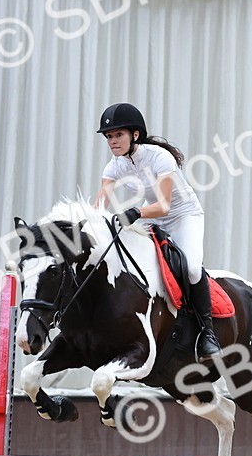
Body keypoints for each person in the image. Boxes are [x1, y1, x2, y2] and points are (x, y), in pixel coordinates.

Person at [94, 102, 220, 360]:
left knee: (193, 268)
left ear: (135, 135)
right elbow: (99, 204)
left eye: (118, 135)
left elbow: (163, 205)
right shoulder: (114, 166)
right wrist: (90, 224)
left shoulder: (160, 157)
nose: (112, 141)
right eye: (109, 136)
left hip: (183, 215)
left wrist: (135, 213)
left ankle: (207, 333)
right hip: (151, 216)